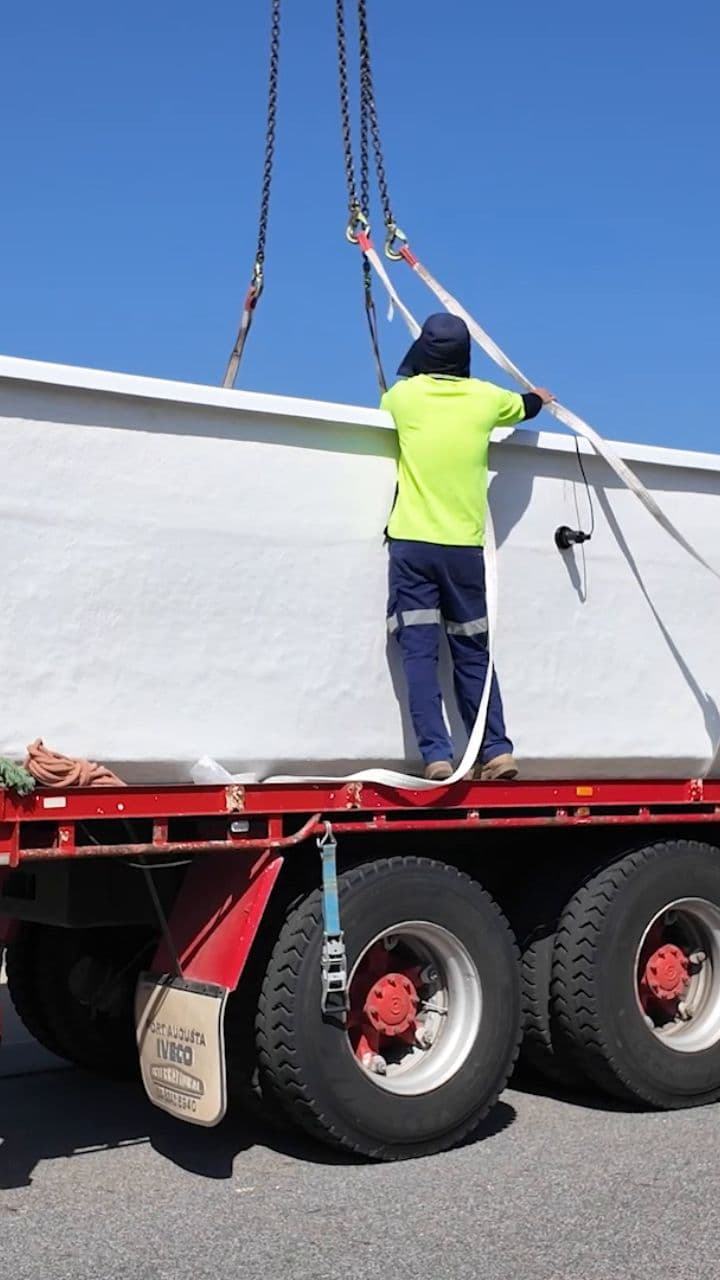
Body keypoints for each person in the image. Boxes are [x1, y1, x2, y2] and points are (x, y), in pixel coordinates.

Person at [381, 313, 554, 782]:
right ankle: (496, 750)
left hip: (412, 547)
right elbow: (526, 406)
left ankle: (437, 754)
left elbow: (398, 383)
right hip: (463, 551)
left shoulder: (404, 398)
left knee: (419, 653)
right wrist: (540, 396)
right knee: (472, 650)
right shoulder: (485, 400)